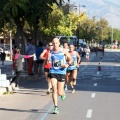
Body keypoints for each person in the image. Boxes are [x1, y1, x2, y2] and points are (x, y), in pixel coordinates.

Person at [48, 38, 73, 114]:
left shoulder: (63, 51)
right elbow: (48, 60)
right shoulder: (51, 51)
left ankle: (62, 93)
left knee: (59, 92)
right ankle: (56, 107)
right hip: (53, 71)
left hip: (61, 72)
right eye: (53, 43)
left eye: (56, 43)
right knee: (54, 89)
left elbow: (71, 59)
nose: (55, 45)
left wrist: (67, 64)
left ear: (59, 43)